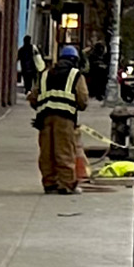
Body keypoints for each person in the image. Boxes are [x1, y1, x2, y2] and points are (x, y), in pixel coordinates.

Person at [33, 46, 90, 194]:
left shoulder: (45, 74)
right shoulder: (75, 75)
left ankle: (49, 183)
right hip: (65, 119)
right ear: (74, 60)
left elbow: (33, 97)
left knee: (47, 152)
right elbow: (82, 99)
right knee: (64, 151)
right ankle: (66, 184)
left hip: (44, 119)